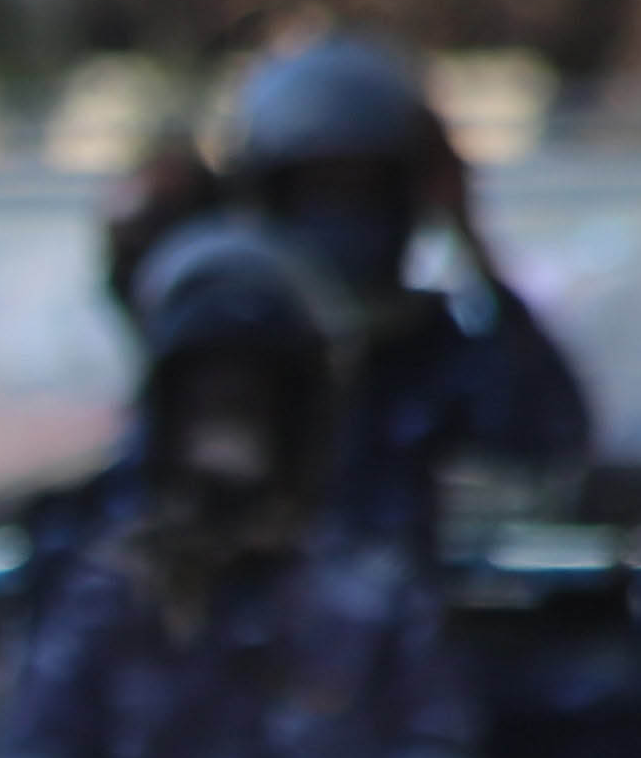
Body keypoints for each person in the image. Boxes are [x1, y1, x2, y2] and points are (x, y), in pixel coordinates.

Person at [0, 224, 506, 758]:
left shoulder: (375, 593)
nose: (228, 417)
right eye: (205, 396)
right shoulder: (100, 591)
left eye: (253, 393)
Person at [217, 30, 593, 544]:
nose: (342, 218)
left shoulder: (441, 357)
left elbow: (551, 440)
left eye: (363, 190)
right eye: (319, 190)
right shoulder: (228, 362)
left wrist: (473, 247)